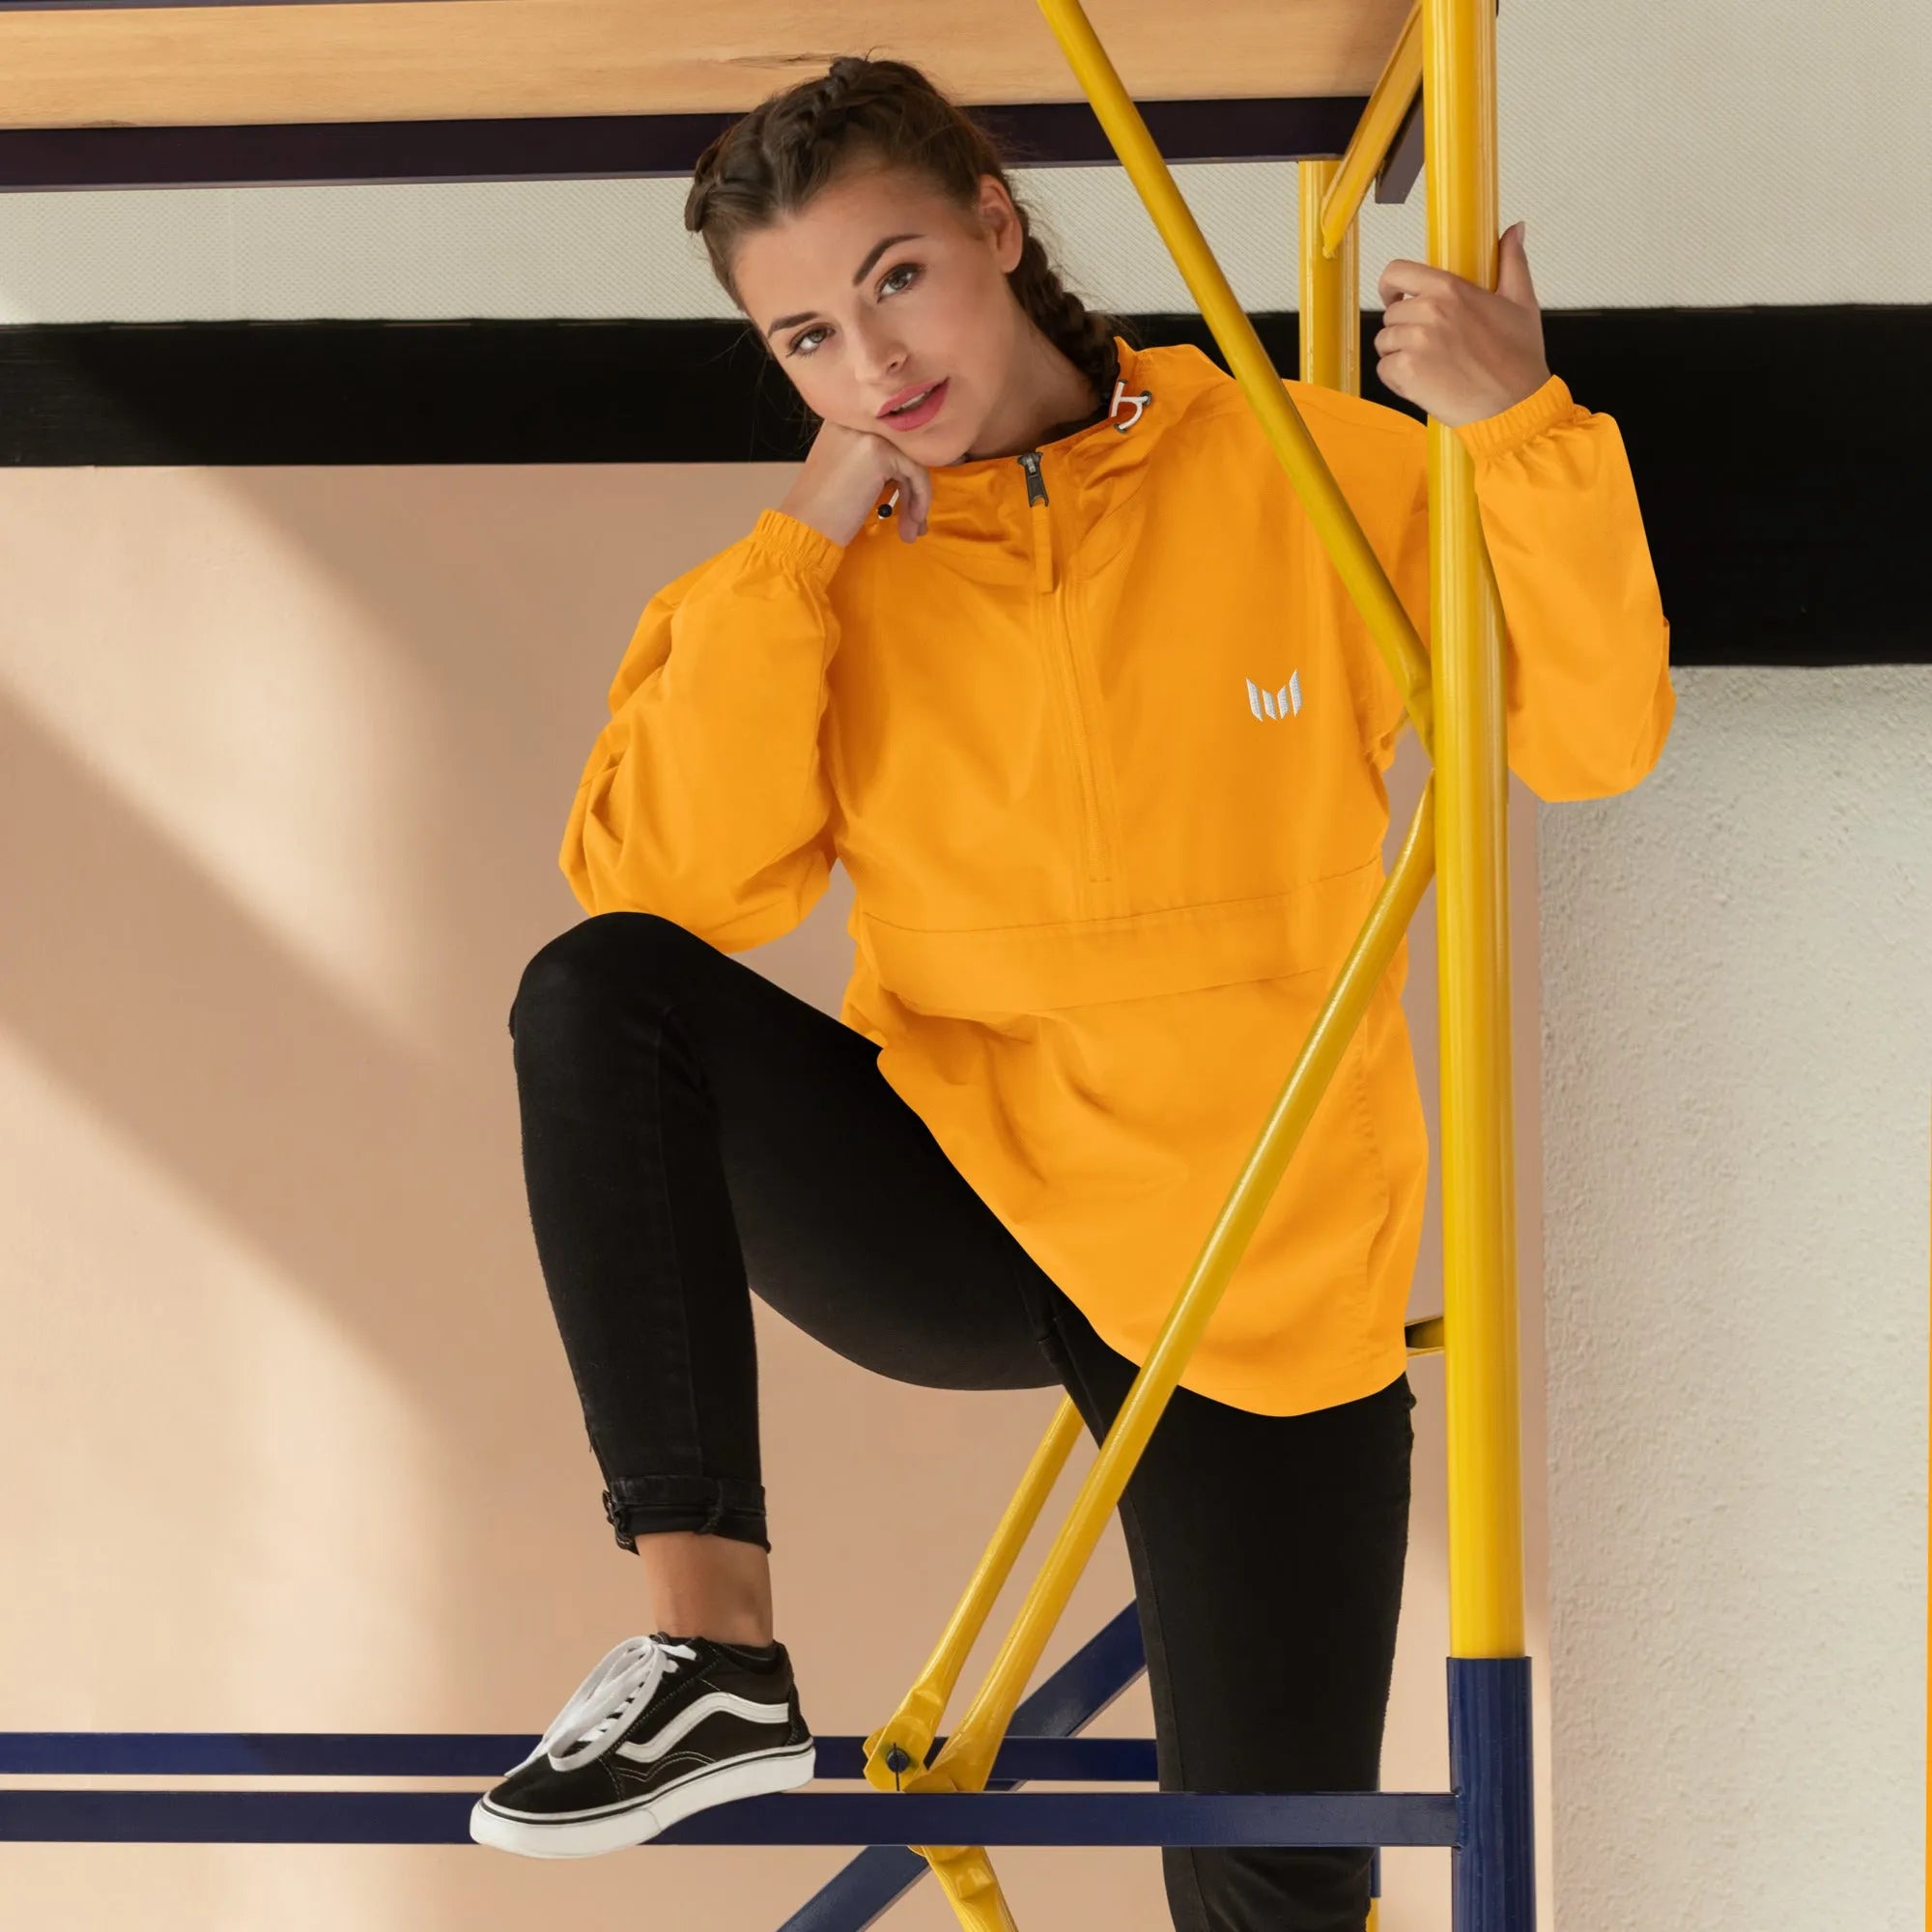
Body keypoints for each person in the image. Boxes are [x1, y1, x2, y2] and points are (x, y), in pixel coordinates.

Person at [469, 52, 1675, 1931]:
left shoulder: (1302, 469)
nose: (872, 362)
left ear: (996, 226)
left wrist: (1518, 427)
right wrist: (801, 548)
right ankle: (711, 1650)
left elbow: (1589, 740)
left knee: (1272, 1881)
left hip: (1259, 1256)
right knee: (599, 989)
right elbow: (673, 891)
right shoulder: (819, 579)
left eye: (894, 279)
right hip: (962, 1197)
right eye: (803, 336)